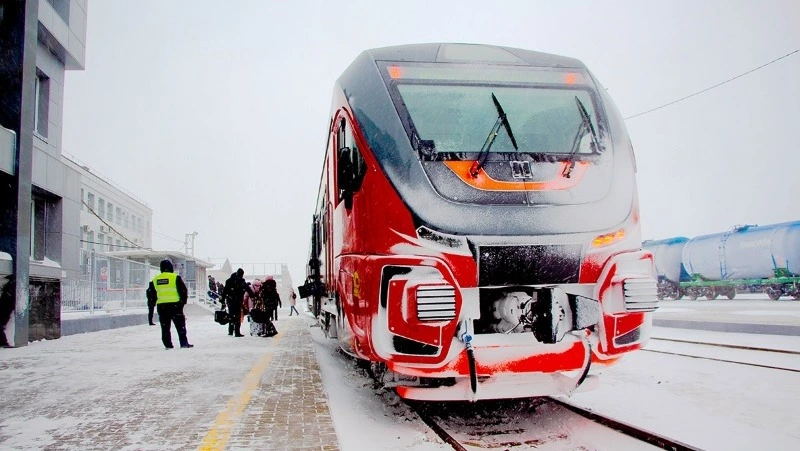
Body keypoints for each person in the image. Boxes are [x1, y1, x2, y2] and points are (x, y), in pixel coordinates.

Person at [146, 259, 193, 349]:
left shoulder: (155, 280)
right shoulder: (175, 277)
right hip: (175, 306)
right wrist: (182, 303)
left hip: (162, 307)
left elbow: (152, 294)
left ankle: (168, 344)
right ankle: (183, 343)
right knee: (180, 326)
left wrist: (152, 304)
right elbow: (183, 291)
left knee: (165, 327)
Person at [221, 268, 254, 337]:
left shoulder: (229, 281)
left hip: (230, 301)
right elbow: (248, 289)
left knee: (231, 315)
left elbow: (225, 291)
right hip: (238, 301)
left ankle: (230, 331)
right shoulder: (241, 281)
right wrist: (253, 296)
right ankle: (237, 332)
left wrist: (223, 300)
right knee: (237, 316)